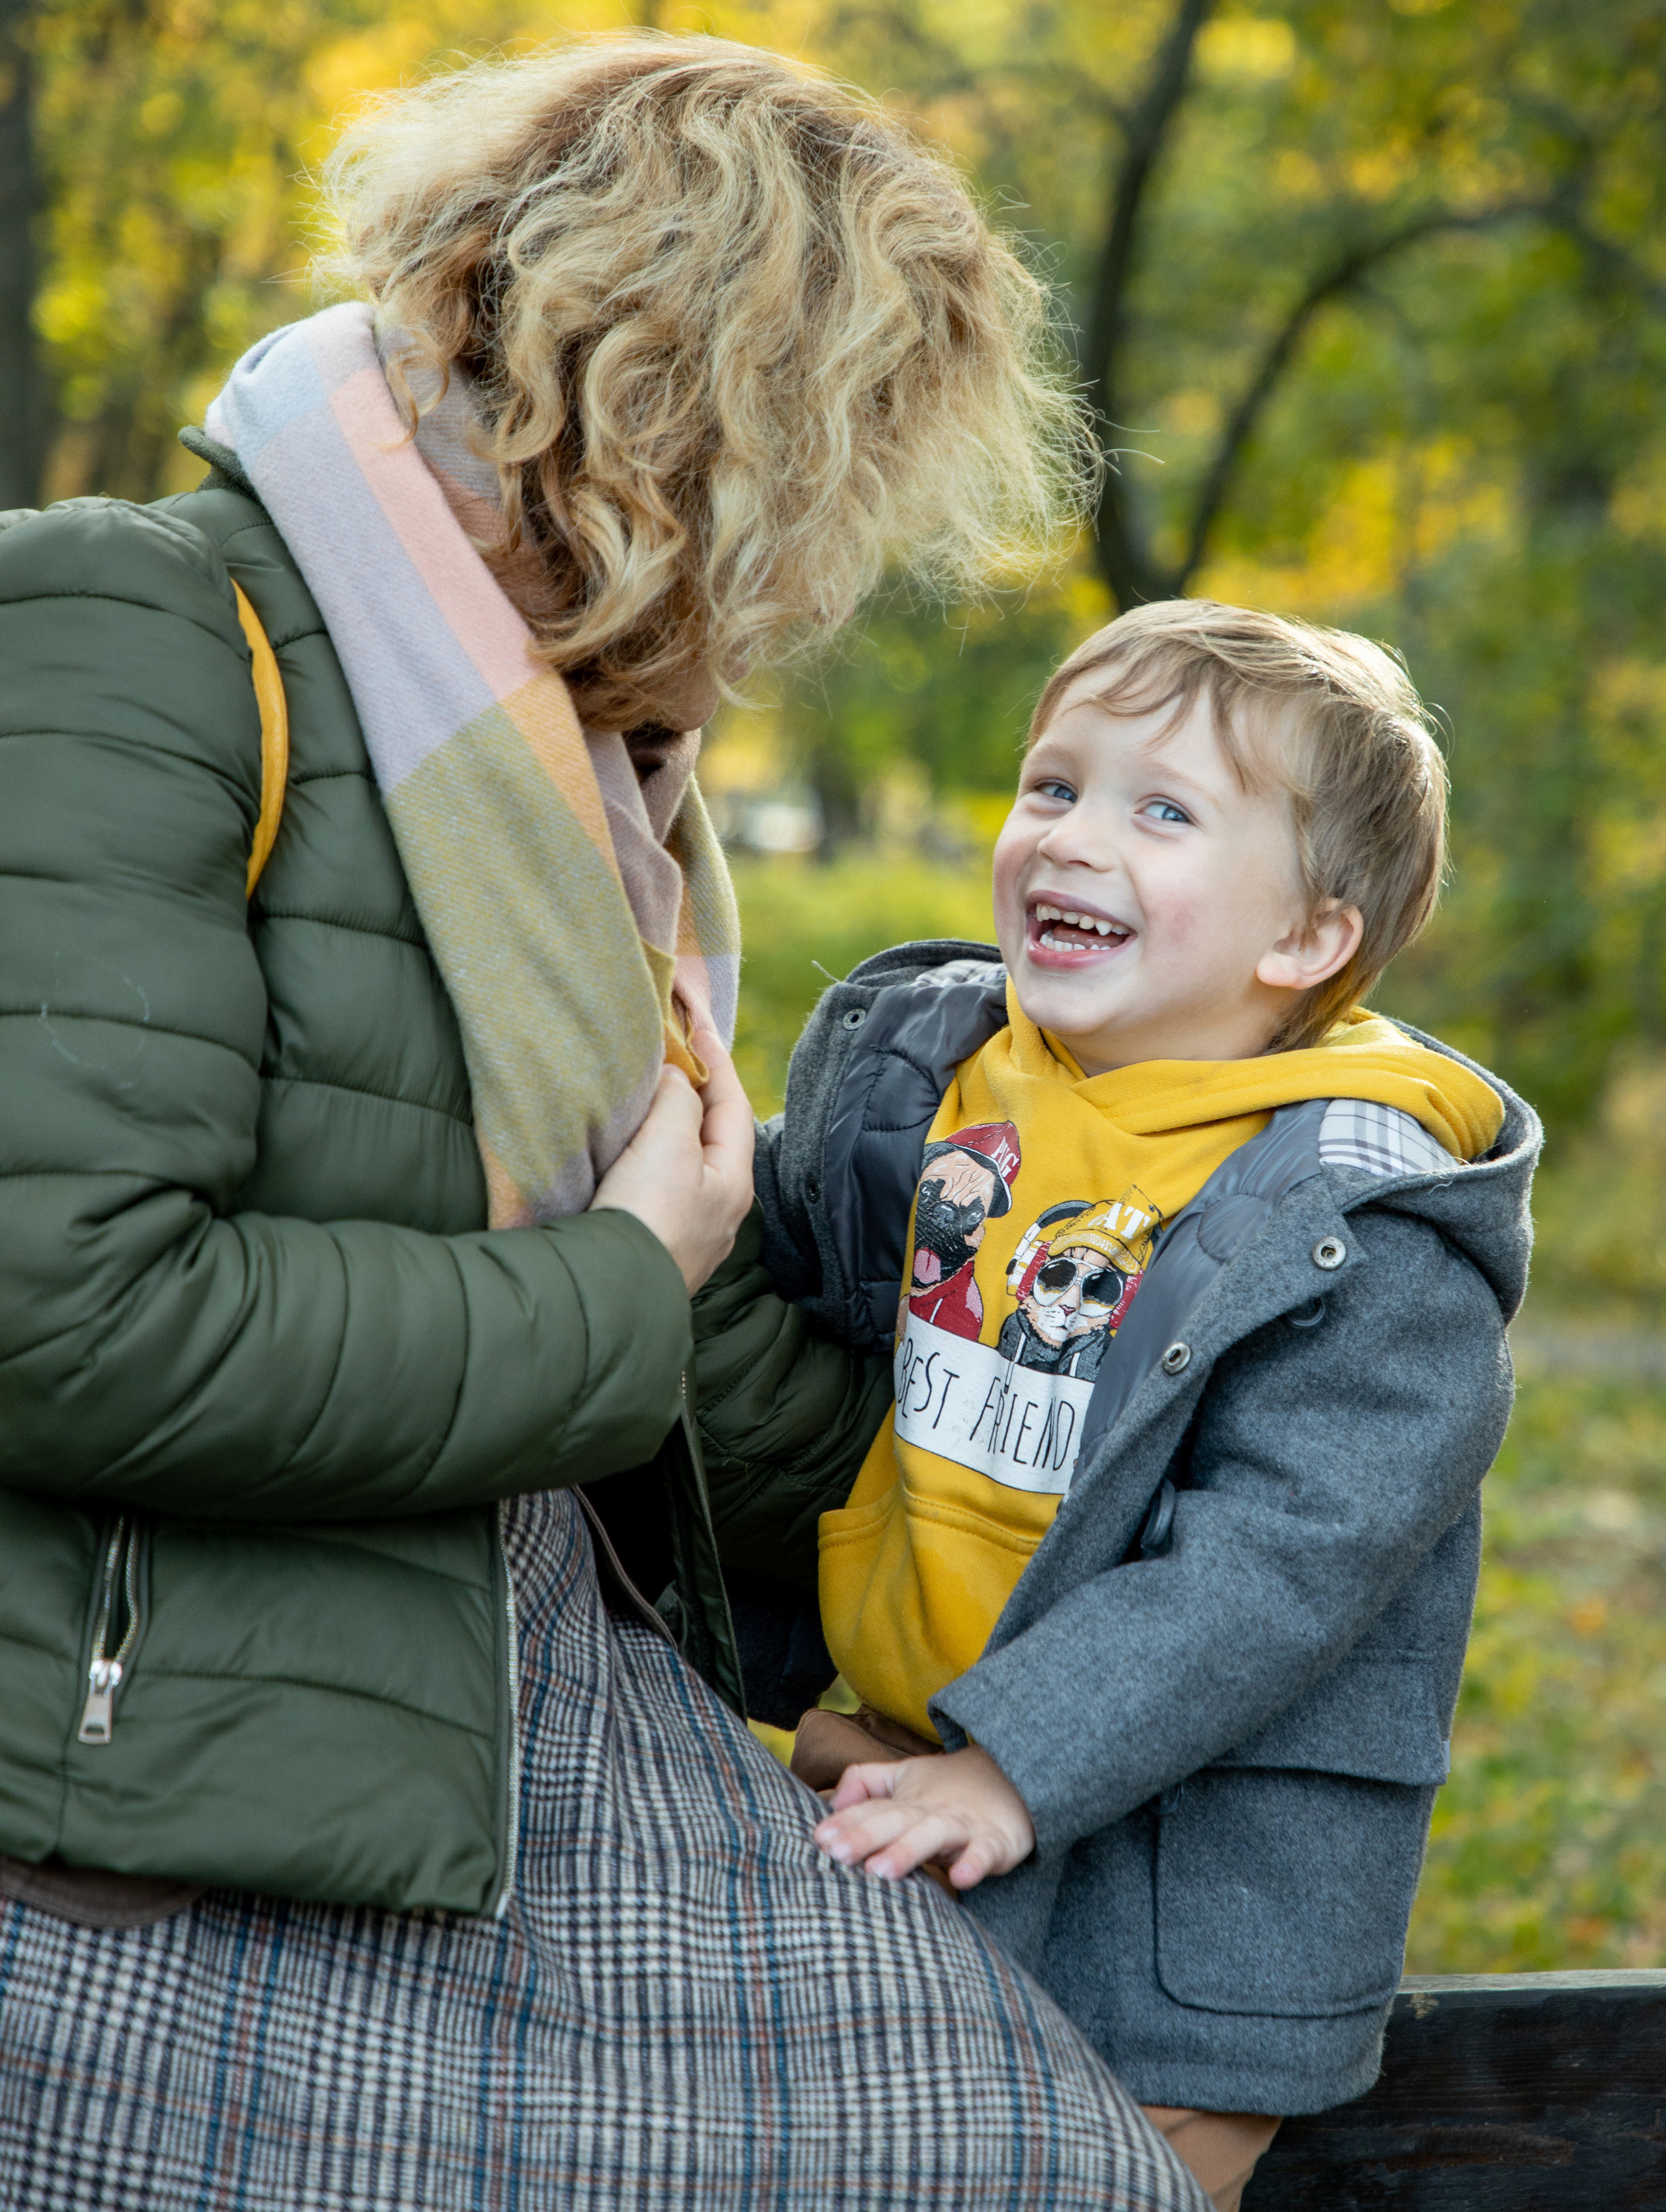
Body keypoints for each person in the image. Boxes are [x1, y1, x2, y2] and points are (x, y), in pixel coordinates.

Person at [0, 36, 1207, 2212]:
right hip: (178, 1817)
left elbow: (685, 1343)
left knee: (1061, 2167)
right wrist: (621, 1278)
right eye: (819, 477)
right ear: (669, 413)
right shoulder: (129, 622)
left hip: (549, 1700)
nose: (813, 580)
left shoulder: (584, 783)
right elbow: (67, 1317)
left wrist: (1104, 1341)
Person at [692, 599, 1542, 2211]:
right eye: (1051, 785)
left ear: (1304, 938)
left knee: (1108, 2184)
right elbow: (781, 1289)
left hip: (1179, 1913)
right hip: (890, 1768)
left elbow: (1271, 1573)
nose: (1070, 837)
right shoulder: (932, 1073)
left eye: (1162, 810)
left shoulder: (1366, 1229)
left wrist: (1011, 1768)